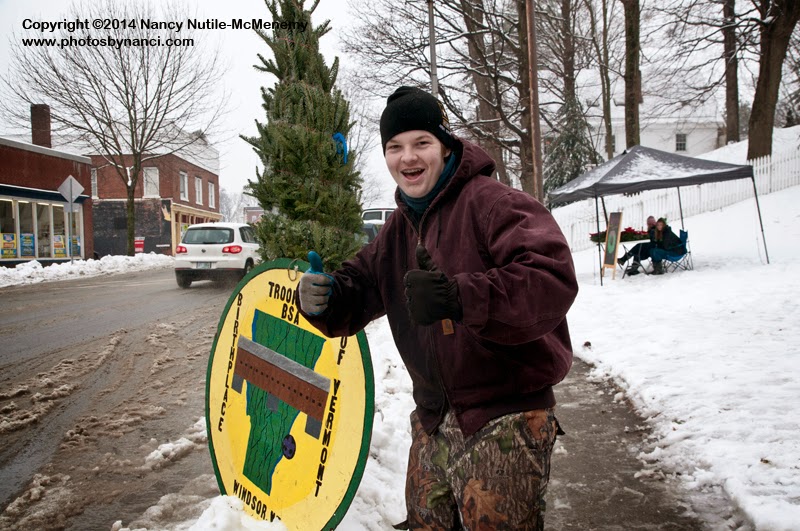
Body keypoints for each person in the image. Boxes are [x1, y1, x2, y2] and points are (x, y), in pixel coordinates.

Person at [297, 86, 578, 530]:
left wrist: (460, 297)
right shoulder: (397, 231)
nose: (407, 158)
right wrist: (326, 298)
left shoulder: (493, 203)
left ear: (445, 146)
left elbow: (550, 276)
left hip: (506, 416)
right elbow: (359, 285)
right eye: (394, 147)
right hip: (432, 419)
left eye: (421, 143)